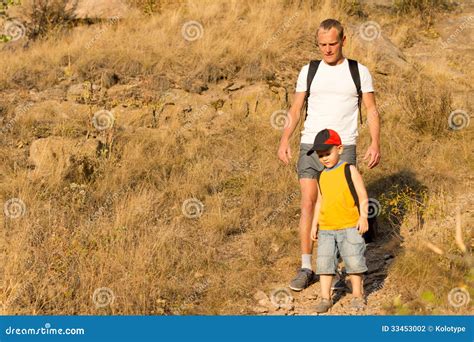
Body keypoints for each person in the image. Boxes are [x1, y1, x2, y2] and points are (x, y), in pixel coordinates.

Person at [277, 18, 380, 291]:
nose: (327, 49)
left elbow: (371, 110)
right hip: (310, 145)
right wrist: (285, 139)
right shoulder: (309, 70)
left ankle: (348, 264)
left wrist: (375, 142)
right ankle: (306, 266)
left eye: (332, 44)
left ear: (343, 41)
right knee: (308, 204)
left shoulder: (359, 71)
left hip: (343, 147)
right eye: (322, 45)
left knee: (343, 208)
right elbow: (296, 108)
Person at [309, 128, 369, 313]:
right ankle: (325, 298)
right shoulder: (320, 175)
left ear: (340, 149)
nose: (324, 158)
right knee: (324, 264)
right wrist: (314, 224)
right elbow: (319, 201)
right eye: (321, 155)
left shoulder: (348, 169)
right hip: (326, 227)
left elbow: (362, 194)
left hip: (350, 225)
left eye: (328, 153)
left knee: (353, 260)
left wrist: (364, 217)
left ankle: (358, 295)